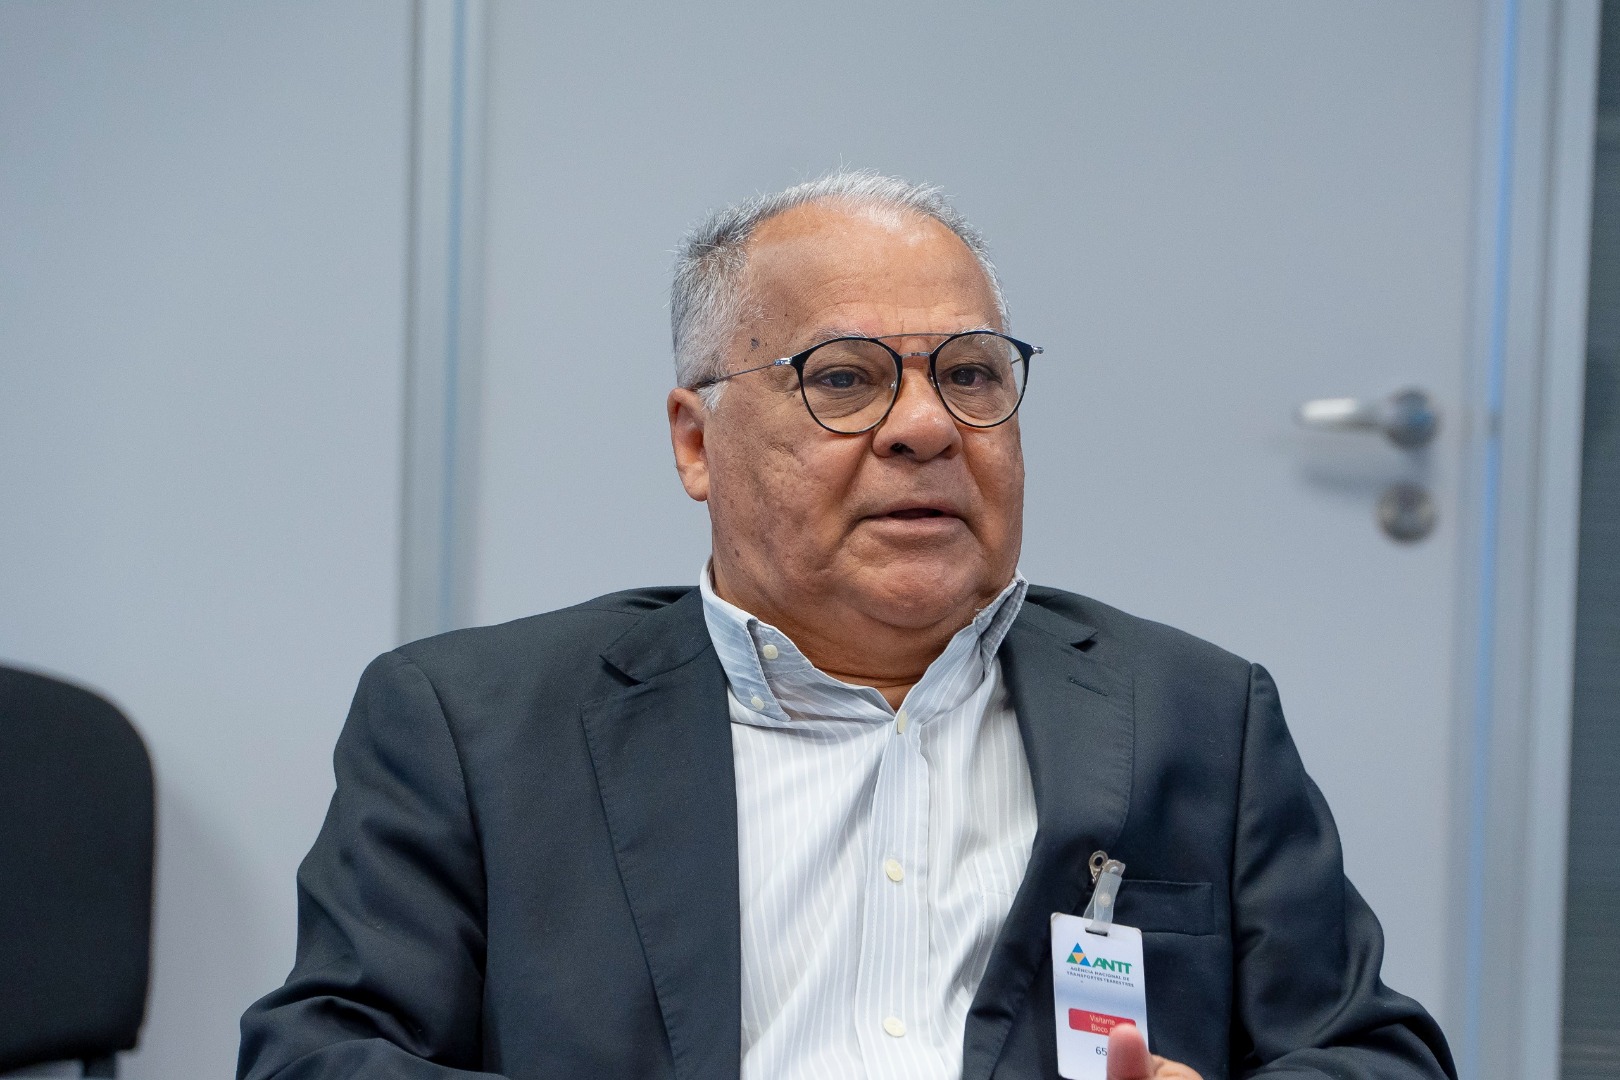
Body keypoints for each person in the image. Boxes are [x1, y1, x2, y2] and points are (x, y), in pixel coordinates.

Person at [237, 173, 1455, 1080]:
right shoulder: (476, 728)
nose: (926, 427)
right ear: (697, 443)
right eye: (845, 377)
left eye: (970, 374)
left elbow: (1374, 1055)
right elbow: (318, 1059)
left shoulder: (1196, 715)